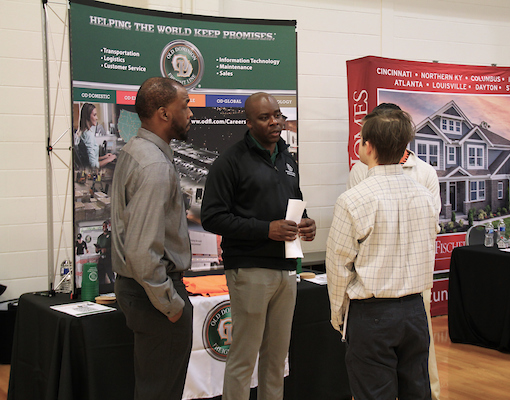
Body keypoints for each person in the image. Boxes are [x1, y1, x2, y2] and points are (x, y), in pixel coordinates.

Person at [200, 92, 316, 400]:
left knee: (277, 360)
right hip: (249, 269)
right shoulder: (230, 162)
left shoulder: (287, 159)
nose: (275, 121)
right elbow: (212, 218)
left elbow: (294, 206)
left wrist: (306, 223)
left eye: (277, 114)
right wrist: (267, 230)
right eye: (265, 117)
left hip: (287, 269)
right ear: (248, 122)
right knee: (244, 358)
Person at [327, 109, 437, 400]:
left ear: (368, 146)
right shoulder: (425, 196)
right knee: (417, 392)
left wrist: (338, 315)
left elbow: (339, 264)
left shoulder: (353, 199)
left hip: (372, 314)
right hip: (415, 311)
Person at [111, 77, 194, 400]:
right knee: (160, 391)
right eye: (184, 105)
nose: (190, 113)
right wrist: (170, 305)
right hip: (155, 297)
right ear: (163, 113)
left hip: (140, 292)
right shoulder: (154, 165)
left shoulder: (135, 149)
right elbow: (142, 251)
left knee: (152, 387)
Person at [77, 103, 116, 169]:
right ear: (87, 117)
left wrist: (104, 157)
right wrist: (109, 159)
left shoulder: (84, 133)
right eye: (94, 115)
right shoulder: (88, 135)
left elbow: (89, 160)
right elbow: (93, 165)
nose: (97, 118)